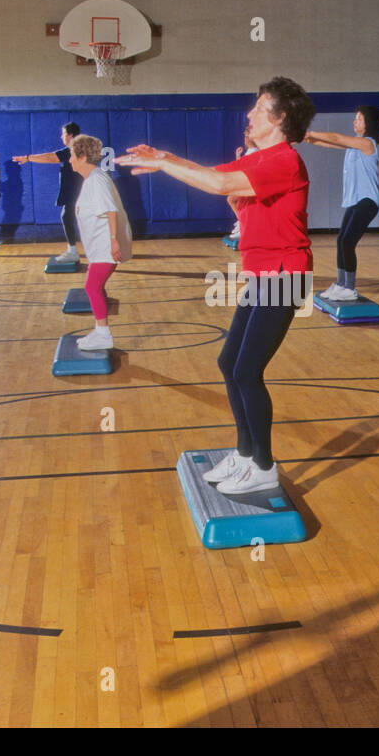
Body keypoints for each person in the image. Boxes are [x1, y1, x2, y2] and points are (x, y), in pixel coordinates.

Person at [117, 77, 316, 496]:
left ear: (281, 119)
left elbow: (220, 184)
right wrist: (165, 156)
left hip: (285, 275)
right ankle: (245, 454)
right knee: (229, 364)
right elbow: (211, 176)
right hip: (262, 274)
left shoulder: (284, 161)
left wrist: (165, 164)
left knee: (247, 370)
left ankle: (263, 465)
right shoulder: (260, 160)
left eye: (259, 108)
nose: (249, 113)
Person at [304, 105, 379, 302]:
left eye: (359, 119)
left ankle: (350, 288)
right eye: (355, 118)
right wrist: (308, 139)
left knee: (348, 242)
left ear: (368, 124)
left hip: (368, 201)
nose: (354, 122)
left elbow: (336, 138)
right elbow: (330, 144)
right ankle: (340, 284)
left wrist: (310, 132)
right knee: (341, 240)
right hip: (356, 201)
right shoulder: (354, 145)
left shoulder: (367, 143)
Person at [70, 135, 132, 351]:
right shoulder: (93, 178)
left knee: (92, 286)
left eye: (72, 156)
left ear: (82, 157)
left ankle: (103, 334)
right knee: (95, 286)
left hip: (107, 247)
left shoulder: (96, 179)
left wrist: (114, 241)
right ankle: (99, 330)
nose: (70, 160)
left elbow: (111, 210)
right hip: (101, 247)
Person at [13, 122, 81, 263]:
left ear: (71, 135)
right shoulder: (73, 149)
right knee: (67, 216)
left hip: (79, 190)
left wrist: (28, 157)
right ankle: (73, 250)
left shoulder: (74, 149)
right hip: (73, 190)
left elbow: (51, 157)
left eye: (63, 133)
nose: (61, 136)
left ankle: (74, 251)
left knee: (68, 217)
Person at [225, 125, 259, 242]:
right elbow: (241, 167)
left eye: (246, 136)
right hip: (247, 185)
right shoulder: (251, 152)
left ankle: (243, 225)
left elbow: (242, 169)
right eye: (245, 136)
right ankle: (242, 223)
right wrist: (238, 157)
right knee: (233, 200)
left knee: (233, 200)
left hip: (250, 187)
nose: (245, 139)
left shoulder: (254, 152)